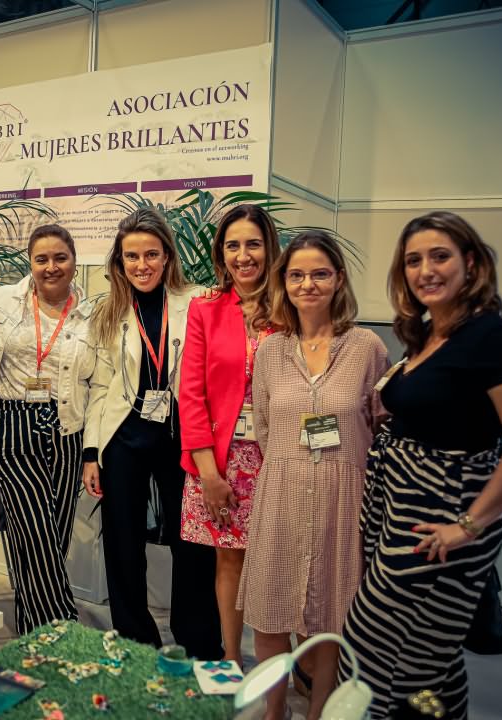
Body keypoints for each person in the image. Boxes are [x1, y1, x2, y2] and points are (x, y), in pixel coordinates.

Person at [338, 211, 502, 719]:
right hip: (401, 511)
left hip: (440, 522)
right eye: (413, 260)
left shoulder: (489, 337)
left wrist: (469, 525)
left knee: (379, 656)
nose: (425, 270)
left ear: (470, 263)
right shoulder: (429, 334)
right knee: (427, 661)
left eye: (440, 256)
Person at [242, 230, 389, 720]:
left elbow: (379, 423)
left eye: (320, 274)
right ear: (284, 282)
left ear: (339, 279)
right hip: (280, 493)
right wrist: (294, 460)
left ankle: (319, 709)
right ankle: (274, 710)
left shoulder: (367, 347)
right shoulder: (270, 351)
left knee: (331, 617)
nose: (308, 284)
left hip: (342, 499)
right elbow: (265, 426)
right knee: (269, 614)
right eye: (297, 275)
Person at [82, 208, 223, 660]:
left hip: (183, 437)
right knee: (122, 543)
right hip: (125, 437)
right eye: (131, 256)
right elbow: (100, 385)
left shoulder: (198, 301)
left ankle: (198, 639)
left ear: (167, 257)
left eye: (151, 254)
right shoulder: (108, 311)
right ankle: (135, 638)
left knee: (192, 544)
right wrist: (91, 452)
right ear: (119, 261)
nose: (141, 265)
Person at [0, 224, 98, 634]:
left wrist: (91, 451)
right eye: (41, 259)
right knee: (35, 530)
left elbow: (97, 383)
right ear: (29, 262)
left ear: (75, 261)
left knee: (52, 537)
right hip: (12, 425)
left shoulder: (93, 315)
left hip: (67, 428)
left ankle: (33, 631)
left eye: (60, 258)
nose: (51, 267)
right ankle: (63, 627)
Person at [178, 204, 281, 665]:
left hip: (279, 457)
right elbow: (191, 393)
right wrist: (208, 474)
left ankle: (287, 658)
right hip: (221, 459)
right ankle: (233, 656)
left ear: (269, 248)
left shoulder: (291, 309)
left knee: (280, 560)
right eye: (233, 245)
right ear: (221, 253)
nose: (243, 256)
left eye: (253, 244)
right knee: (229, 558)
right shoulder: (206, 309)